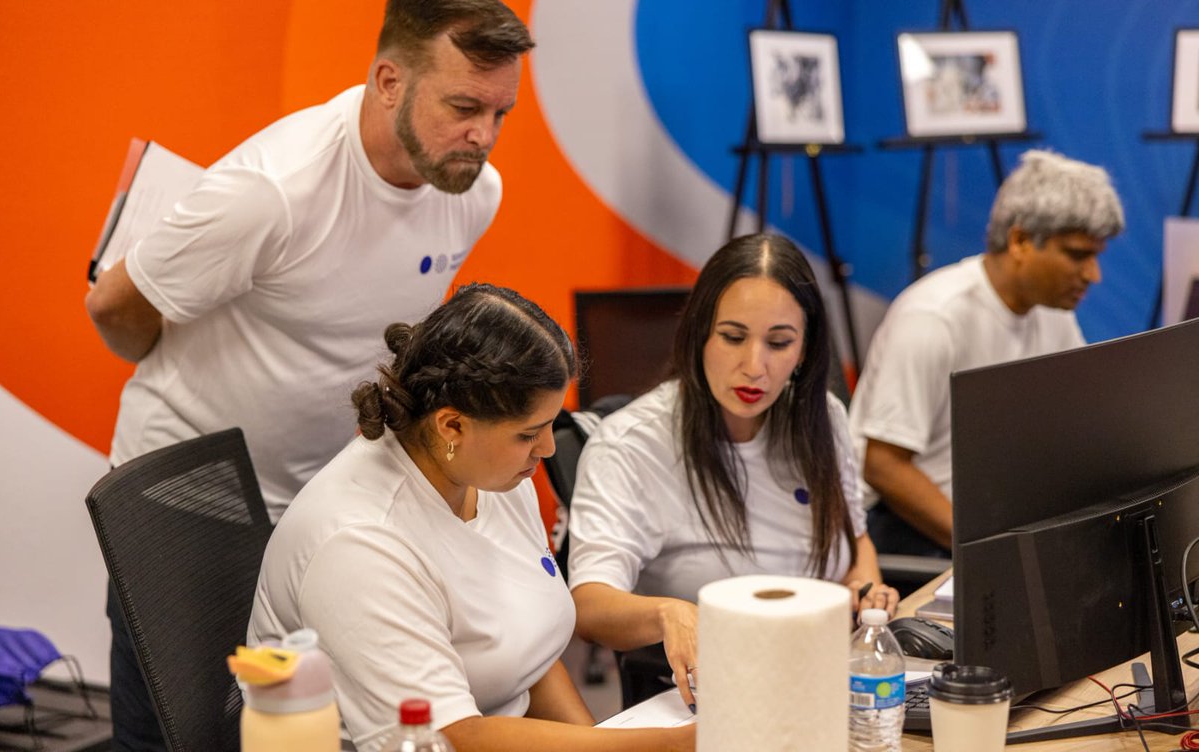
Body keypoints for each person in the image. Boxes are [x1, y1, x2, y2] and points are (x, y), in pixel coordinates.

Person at [84, 0, 533, 751]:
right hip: (189, 486)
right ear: (388, 81)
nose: (483, 135)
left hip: (317, 496)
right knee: (182, 732)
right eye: (464, 107)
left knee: (295, 730)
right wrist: (174, 372)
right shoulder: (273, 191)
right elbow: (114, 306)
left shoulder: (471, 191)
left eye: (501, 114)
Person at [248, 284, 694, 752]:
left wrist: (598, 741)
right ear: (452, 425)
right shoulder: (359, 544)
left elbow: (530, 659)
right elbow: (451, 737)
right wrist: (671, 745)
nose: (547, 449)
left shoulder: (488, 472)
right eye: (529, 434)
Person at [567, 233, 900, 711]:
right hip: (708, 697)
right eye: (733, 337)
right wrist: (668, 614)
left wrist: (863, 592)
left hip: (824, 676)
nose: (754, 366)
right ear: (700, 333)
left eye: (779, 343)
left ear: (805, 351)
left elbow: (855, 537)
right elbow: (590, 605)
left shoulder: (822, 418)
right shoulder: (631, 445)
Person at [847, 149, 1125, 557]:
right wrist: (990, 552)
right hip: (904, 525)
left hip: (992, 516)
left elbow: (1079, 426)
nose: (1093, 275)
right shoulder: (932, 319)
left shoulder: (1053, 312)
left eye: (1096, 256)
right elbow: (883, 467)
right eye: (1077, 255)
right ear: (1020, 241)